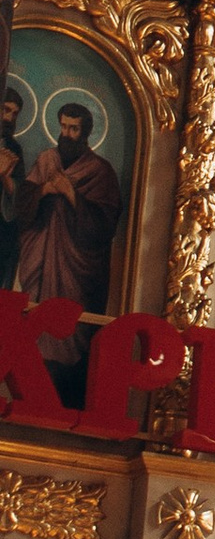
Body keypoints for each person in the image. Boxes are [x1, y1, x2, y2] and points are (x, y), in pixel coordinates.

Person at [16, 94, 124, 372]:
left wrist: (71, 194)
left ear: (85, 132)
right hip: (40, 255)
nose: (66, 134)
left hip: (75, 268)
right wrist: (44, 190)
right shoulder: (46, 160)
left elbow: (104, 225)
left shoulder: (100, 171)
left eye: (73, 128)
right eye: (63, 126)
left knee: (67, 326)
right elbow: (22, 203)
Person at [0, 81, 24, 292]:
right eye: (6, 110)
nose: (9, 118)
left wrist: (5, 177)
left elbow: (18, 194)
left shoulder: (14, 149)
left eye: (14, 114)